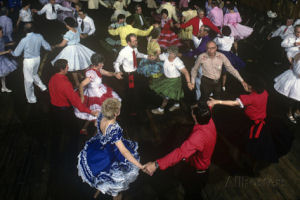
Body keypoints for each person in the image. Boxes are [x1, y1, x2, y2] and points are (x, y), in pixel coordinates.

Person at [207, 76, 294, 167]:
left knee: (248, 143)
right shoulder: (265, 93)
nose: (246, 86)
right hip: (263, 120)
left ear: (252, 87)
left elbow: (233, 103)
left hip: (253, 124)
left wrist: (216, 102)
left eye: (248, 85)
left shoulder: (250, 98)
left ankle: (247, 159)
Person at [77, 98, 148, 199]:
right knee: (116, 180)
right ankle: (115, 196)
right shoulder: (114, 129)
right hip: (111, 153)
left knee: (101, 173)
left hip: (100, 146)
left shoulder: (100, 115)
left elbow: (96, 126)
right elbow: (124, 152)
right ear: (117, 113)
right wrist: (141, 166)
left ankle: (99, 190)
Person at [144, 102, 217, 198]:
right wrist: (214, 102)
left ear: (194, 116)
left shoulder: (198, 137)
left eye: (193, 111)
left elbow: (180, 153)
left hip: (196, 173)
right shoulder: (208, 118)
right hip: (200, 166)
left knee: (192, 194)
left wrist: (156, 164)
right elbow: (210, 105)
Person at [74, 53, 122, 134]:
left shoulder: (97, 68)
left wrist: (114, 74)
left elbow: (107, 73)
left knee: (95, 114)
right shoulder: (91, 73)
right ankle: (98, 134)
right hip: (94, 95)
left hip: (100, 91)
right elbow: (82, 84)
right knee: (100, 114)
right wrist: (82, 97)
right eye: (102, 63)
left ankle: (84, 129)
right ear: (98, 64)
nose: (103, 64)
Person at [11, 23, 51, 103]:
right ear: (33, 29)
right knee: (34, 74)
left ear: (24, 30)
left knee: (28, 80)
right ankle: (42, 87)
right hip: (37, 59)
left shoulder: (24, 40)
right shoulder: (39, 36)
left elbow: (16, 54)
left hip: (28, 61)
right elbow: (48, 47)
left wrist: (10, 52)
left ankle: (31, 99)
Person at [51, 17, 95, 87]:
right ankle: (82, 76)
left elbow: (62, 44)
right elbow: (82, 37)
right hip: (78, 47)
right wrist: (87, 34)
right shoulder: (77, 30)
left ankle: (77, 83)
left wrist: (55, 46)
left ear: (67, 25)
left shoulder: (68, 34)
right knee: (80, 63)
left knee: (73, 67)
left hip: (71, 50)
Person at [151, 46, 192, 114]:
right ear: (168, 52)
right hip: (167, 78)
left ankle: (161, 109)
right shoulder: (165, 56)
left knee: (166, 95)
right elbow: (157, 59)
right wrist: (156, 56)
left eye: (174, 54)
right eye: (170, 53)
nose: (172, 55)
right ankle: (177, 105)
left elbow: (185, 72)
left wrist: (189, 82)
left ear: (176, 54)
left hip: (175, 80)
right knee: (174, 93)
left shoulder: (178, 62)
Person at [113, 33, 149, 115]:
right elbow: (117, 63)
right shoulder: (123, 52)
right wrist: (117, 71)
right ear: (128, 43)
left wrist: (147, 56)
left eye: (136, 40)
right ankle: (131, 110)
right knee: (131, 93)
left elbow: (137, 54)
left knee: (138, 89)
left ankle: (139, 105)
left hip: (136, 72)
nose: (136, 42)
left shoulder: (134, 48)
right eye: (134, 41)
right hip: (130, 76)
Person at [214, 26, 246, 91]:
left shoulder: (220, 40)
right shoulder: (231, 38)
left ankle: (215, 83)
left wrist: (219, 35)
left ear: (222, 32)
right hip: (228, 55)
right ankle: (223, 86)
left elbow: (214, 41)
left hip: (220, 54)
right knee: (224, 72)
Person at [274, 53, 300, 124]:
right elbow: (297, 71)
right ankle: (289, 113)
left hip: (297, 77)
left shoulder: (297, 54)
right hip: (295, 79)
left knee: (297, 99)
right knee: (292, 99)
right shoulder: (298, 55)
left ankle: (297, 110)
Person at [0, 26, 16, 93]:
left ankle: (3, 87)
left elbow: (3, 45)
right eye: (0, 33)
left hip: (2, 59)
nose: (1, 34)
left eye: (2, 32)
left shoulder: (1, 39)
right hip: (1, 58)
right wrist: (6, 52)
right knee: (2, 74)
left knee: (3, 75)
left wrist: (10, 44)